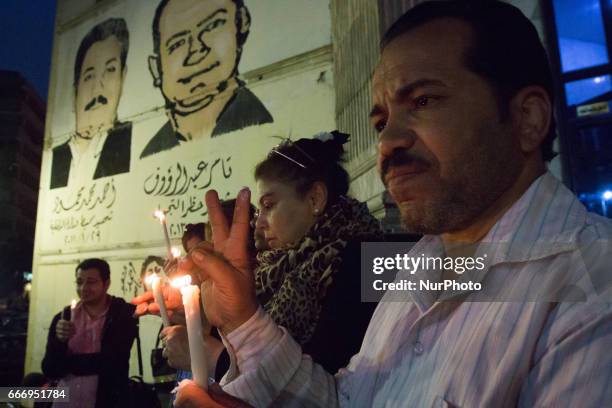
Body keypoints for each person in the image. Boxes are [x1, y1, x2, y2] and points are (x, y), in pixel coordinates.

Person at [173, 1, 612, 407]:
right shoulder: (426, 260)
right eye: (381, 121)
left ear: (527, 118)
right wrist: (244, 319)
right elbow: (352, 399)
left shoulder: (591, 284)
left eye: (424, 100)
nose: (387, 143)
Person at [140, 0, 273, 158]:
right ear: (156, 68)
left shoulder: (263, 128)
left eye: (212, 26)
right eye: (177, 43)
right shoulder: (152, 153)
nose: (196, 50)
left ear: (241, 23)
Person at [41, 258, 137, 408]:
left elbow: (114, 362)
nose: (84, 288)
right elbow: (50, 369)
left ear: (106, 284)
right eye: (79, 282)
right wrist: (60, 342)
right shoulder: (64, 317)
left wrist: (70, 363)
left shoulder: (122, 315)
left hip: (107, 400)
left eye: (91, 282)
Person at [49, 18, 132, 189]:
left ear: (122, 80)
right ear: (74, 94)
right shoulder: (57, 156)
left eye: (110, 70)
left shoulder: (129, 142)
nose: (97, 89)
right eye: (89, 76)